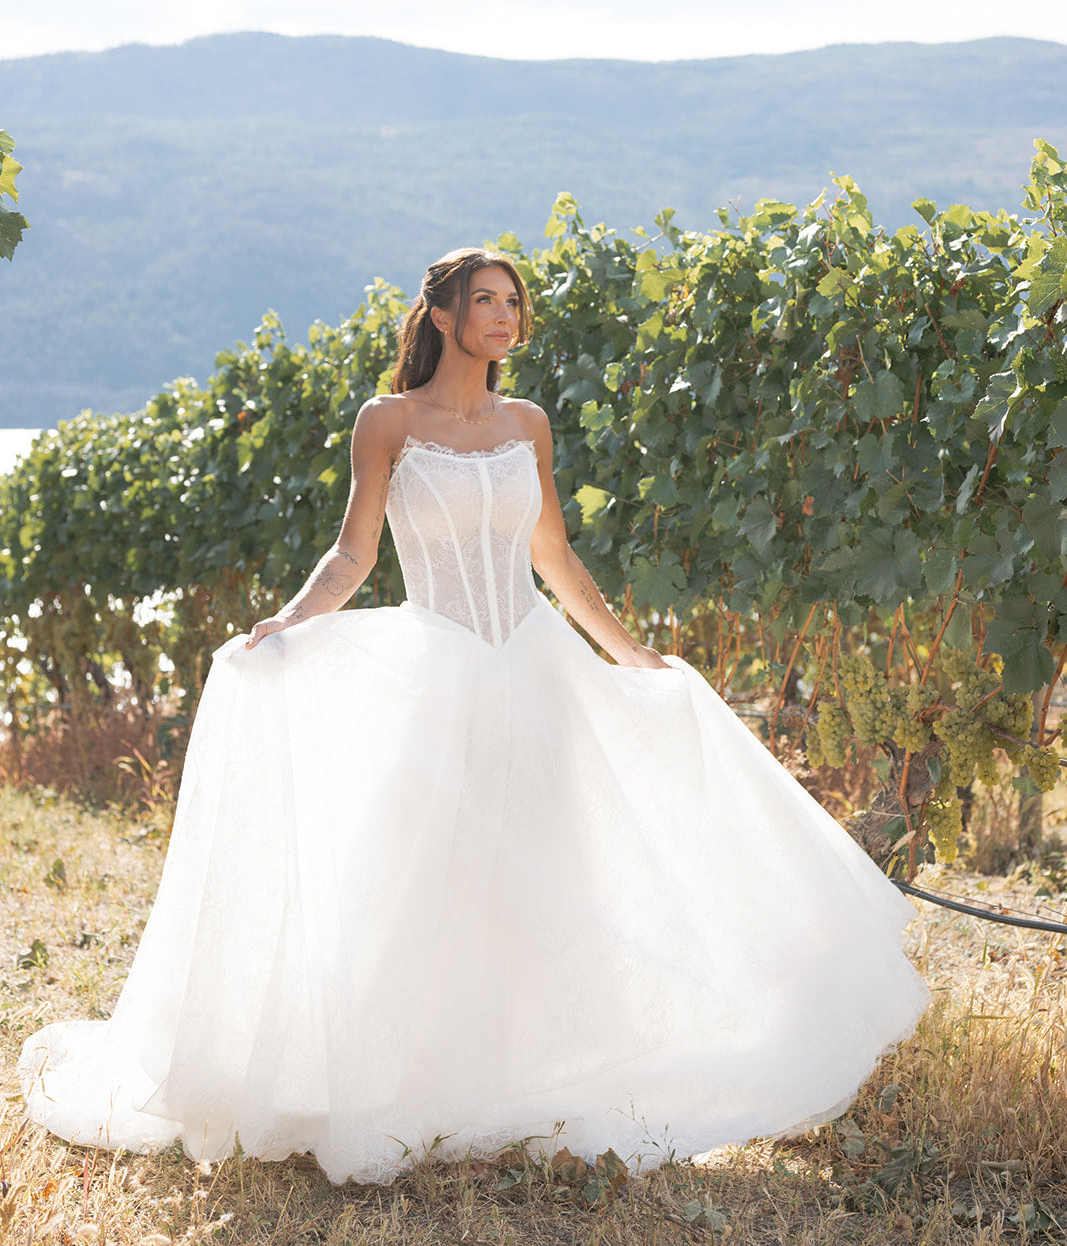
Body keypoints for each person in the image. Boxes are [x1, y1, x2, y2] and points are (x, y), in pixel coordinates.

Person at [20, 247, 928, 1185]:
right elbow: (353, 553)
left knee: (542, 873)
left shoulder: (527, 423)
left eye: (512, 301)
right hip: (433, 674)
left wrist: (638, 659)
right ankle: (395, 1084)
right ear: (444, 316)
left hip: (535, 669)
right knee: (422, 876)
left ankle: (527, 1078)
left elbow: (557, 563)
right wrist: (286, 623)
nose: (504, 314)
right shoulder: (387, 422)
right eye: (484, 300)